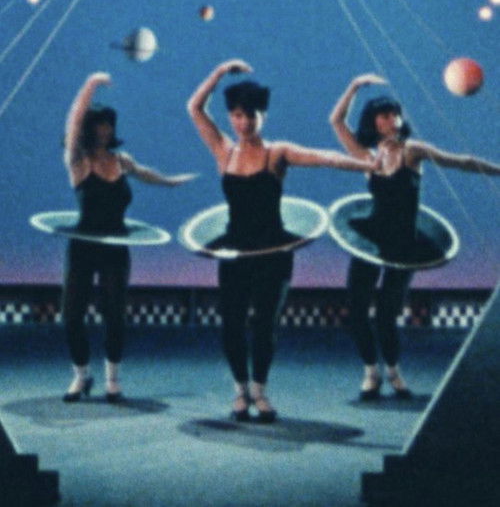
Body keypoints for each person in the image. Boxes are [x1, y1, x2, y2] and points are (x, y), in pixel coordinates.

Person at [187, 59, 380, 422]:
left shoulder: (277, 153)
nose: (244, 123)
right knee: (231, 324)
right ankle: (240, 391)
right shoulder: (223, 151)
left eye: (251, 115)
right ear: (230, 117)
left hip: (274, 253)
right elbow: (194, 108)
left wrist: (367, 165)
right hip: (235, 251)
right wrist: (219, 72)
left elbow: (325, 158)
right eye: (237, 115)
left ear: (263, 116)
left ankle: (260, 391)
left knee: (264, 324)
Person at [330, 73, 500, 400]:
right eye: (385, 115)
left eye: (395, 114)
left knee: (386, 315)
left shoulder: (412, 151)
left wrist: (497, 171)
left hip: (404, 244)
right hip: (370, 237)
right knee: (356, 309)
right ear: (374, 121)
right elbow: (336, 121)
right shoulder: (367, 157)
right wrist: (354, 86)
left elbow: (460, 162)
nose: (392, 119)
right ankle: (371, 371)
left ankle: (393, 371)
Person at [63, 72, 193, 403]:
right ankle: (81, 375)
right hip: (84, 245)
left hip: (116, 246)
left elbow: (145, 174)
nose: (105, 130)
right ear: (90, 127)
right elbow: (73, 121)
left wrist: (170, 182)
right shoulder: (79, 161)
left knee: (114, 313)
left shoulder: (122, 161)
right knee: (73, 314)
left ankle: (112, 379)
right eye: (99, 124)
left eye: (109, 124)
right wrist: (90, 84)